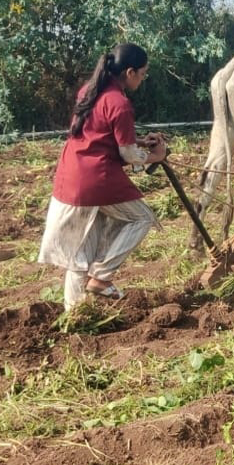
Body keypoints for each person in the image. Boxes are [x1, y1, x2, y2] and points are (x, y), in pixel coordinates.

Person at [38, 42, 168, 310]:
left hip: (70, 175)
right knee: (142, 218)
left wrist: (141, 141)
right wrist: (156, 156)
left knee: (80, 252)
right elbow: (127, 154)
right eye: (142, 74)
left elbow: (101, 133)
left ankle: (75, 313)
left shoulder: (90, 90)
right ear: (130, 72)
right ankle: (102, 276)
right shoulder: (120, 103)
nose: (142, 79)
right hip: (95, 179)